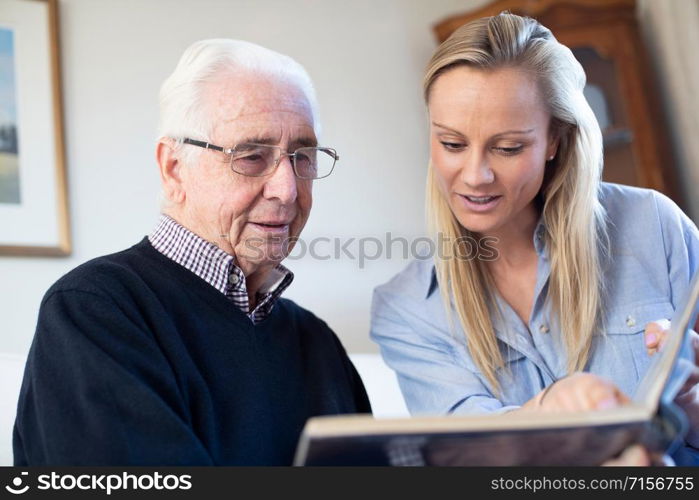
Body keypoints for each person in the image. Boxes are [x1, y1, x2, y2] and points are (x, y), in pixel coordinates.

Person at [14, 39, 370, 465]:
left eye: (303, 156)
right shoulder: (95, 310)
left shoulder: (316, 341)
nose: (287, 190)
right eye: (252, 156)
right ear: (173, 168)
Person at [370, 13, 699, 464]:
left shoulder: (654, 227)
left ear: (555, 140)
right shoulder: (406, 309)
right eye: (452, 144)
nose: (475, 176)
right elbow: (467, 459)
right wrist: (553, 409)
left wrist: (689, 406)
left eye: (507, 148)